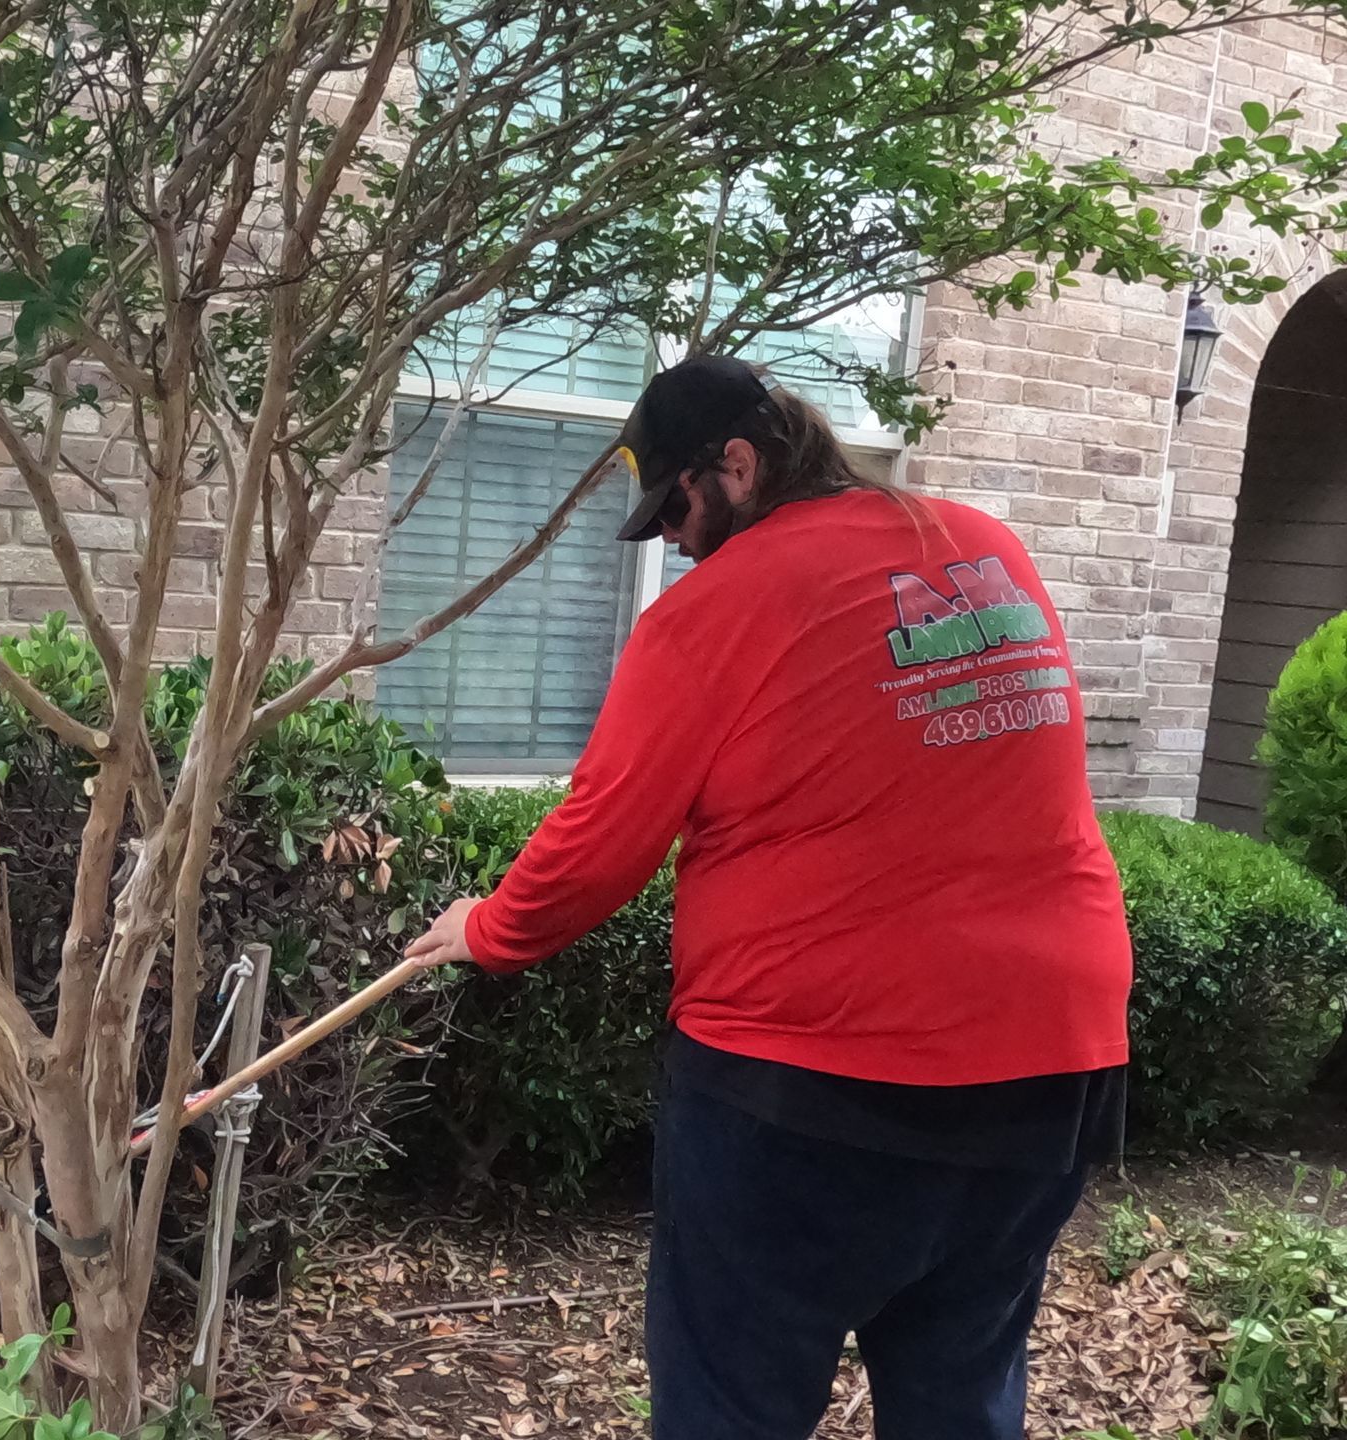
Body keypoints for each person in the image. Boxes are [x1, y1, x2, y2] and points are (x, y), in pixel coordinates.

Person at [405, 356, 1132, 1440]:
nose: (673, 543)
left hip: (807, 1089)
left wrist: (488, 930)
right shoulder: (986, 550)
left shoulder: (716, 610)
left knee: (732, 1403)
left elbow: (600, 842)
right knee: (960, 1392)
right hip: (1048, 1071)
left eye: (676, 510)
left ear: (736, 467)